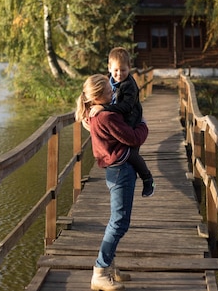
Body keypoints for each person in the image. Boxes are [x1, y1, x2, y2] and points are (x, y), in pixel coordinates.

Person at [76, 74, 149, 291]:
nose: (114, 93)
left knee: (115, 221)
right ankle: (100, 271)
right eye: (109, 91)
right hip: (121, 171)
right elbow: (134, 138)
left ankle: (109, 268)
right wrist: (143, 125)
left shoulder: (93, 113)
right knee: (119, 222)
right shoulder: (106, 117)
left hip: (115, 169)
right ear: (97, 97)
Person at [90, 47, 155, 197]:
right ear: (109, 68)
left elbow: (126, 106)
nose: (119, 74)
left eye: (124, 71)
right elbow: (97, 92)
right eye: (116, 70)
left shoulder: (129, 85)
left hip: (131, 118)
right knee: (119, 150)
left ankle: (147, 178)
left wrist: (104, 107)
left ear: (130, 68)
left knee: (131, 152)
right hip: (118, 118)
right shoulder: (108, 80)